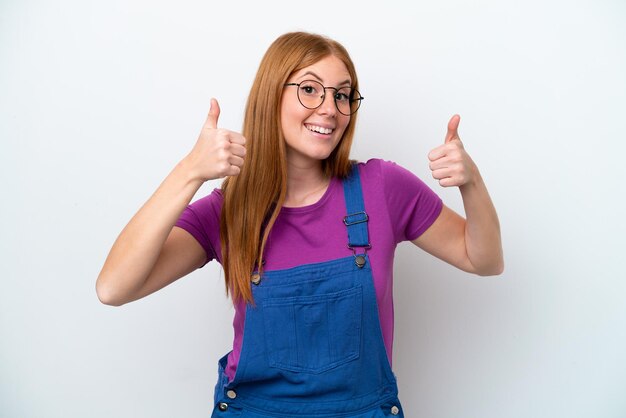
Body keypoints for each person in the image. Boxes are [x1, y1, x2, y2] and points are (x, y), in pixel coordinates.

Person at [96, 31, 503, 417]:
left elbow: (482, 259)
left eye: (343, 95)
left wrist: (472, 182)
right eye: (310, 89)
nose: (330, 108)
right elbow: (114, 288)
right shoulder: (228, 212)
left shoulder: (381, 187)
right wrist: (189, 172)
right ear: (271, 97)